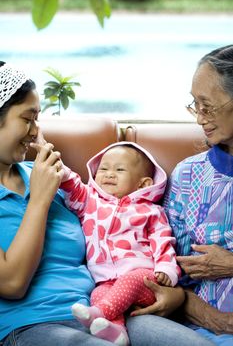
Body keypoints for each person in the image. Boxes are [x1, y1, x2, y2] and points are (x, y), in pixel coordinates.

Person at [0, 60, 213, 346]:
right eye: (28, 119)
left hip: (107, 311)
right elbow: (12, 284)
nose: (35, 130)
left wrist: (173, 292)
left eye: (39, 119)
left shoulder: (47, 176)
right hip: (30, 324)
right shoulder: (44, 183)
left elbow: (113, 233)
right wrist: (39, 198)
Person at [57, 141, 180, 345]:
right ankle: (117, 333)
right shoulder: (90, 202)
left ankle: (101, 312)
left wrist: (167, 269)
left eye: (119, 169)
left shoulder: (150, 210)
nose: (108, 174)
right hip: (106, 280)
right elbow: (74, 186)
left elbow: (162, 240)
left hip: (144, 279)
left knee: (128, 281)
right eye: (103, 169)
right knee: (98, 293)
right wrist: (60, 170)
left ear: (143, 184)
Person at [162, 44, 233, 345]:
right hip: (200, 330)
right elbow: (169, 268)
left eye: (208, 106)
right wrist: (212, 319)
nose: (199, 117)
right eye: (195, 105)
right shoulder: (188, 176)